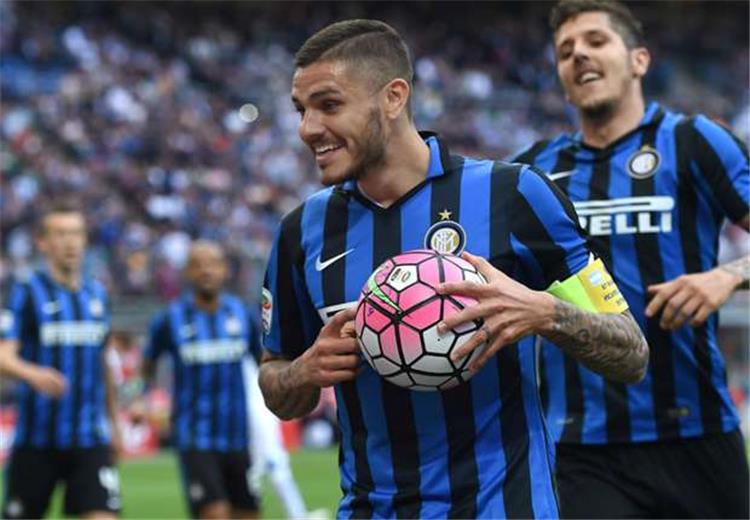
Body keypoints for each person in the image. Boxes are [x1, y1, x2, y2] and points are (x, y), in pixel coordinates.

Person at [259, 19, 648, 518]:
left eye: (329, 105)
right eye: (301, 110)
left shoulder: (515, 195)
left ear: (393, 98)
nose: (307, 128)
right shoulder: (301, 232)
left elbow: (630, 352)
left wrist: (545, 313)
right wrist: (304, 372)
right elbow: (275, 380)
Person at [511, 1, 750, 517]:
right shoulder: (532, 172)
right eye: (565, 51)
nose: (578, 55)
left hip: (698, 432)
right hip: (581, 449)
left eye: (596, 41)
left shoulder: (694, 142)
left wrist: (728, 275)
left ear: (639, 59)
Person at [0, 204, 121, 519]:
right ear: (43, 242)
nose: (70, 242)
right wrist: (32, 373)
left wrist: (114, 423)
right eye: (61, 234)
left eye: (76, 233)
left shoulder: (97, 294)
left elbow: (103, 365)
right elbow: (3, 356)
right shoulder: (26, 292)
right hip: (37, 440)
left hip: (90, 438)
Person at [143, 241, 262, 520]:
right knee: (215, 514)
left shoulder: (241, 314)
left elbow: (265, 362)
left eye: (213, 264)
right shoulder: (169, 319)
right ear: (187, 272)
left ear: (224, 270)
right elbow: (148, 365)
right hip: (195, 438)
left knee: (248, 514)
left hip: (238, 436)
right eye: (198, 264)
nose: (206, 270)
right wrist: (144, 398)